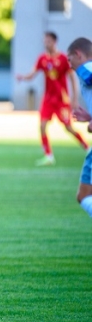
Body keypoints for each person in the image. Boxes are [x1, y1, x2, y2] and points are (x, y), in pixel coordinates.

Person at [16, 31, 88, 166]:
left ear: (54, 42)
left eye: (48, 41)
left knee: (68, 127)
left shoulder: (63, 58)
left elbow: (72, 77)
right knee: (42, 126)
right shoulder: (42, 58)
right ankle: (48, 155)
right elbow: (32, 74)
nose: (46, 43)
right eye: (45, 41)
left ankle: (87, 147)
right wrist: (23, 77)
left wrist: (74, 98)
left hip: (61, 99)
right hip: (48, 100)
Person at [67, 37, 92, 218]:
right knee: (83, 196)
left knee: (84, 196)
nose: (69, 65)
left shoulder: (85, 70)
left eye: (70, 60)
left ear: (78, 54)